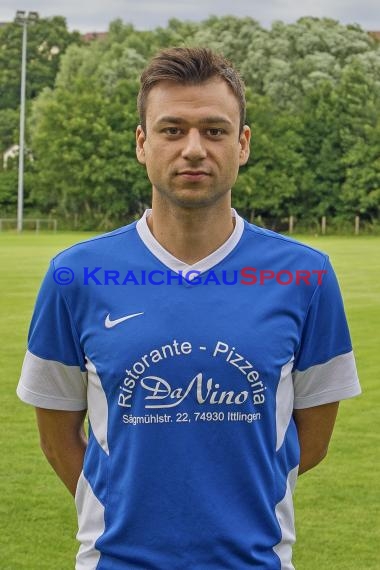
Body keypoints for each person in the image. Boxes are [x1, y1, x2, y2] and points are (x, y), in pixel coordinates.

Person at [17, 47, 361, 570]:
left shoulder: (305, 274)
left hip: (255, 560)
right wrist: (118, 505)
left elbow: (310, 441)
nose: (194, 149)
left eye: (215, 131)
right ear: (142, 143)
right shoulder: (76, 274)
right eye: (172, 130)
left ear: (242, 144)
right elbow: (57, 435)